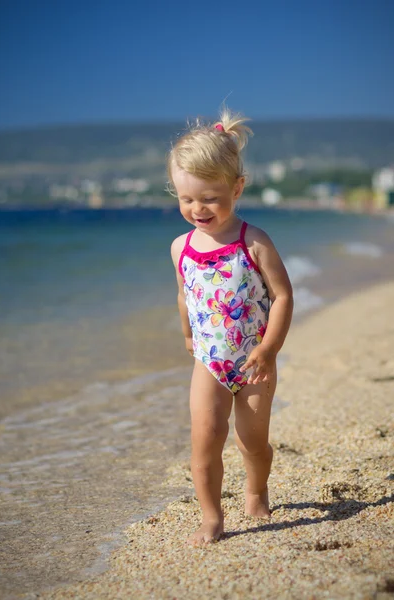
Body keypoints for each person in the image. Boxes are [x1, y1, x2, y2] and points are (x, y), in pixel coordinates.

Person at [169, 108, 293, 546]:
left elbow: (282, 296)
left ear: (237, 188)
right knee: (205, 442)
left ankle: (256, 488)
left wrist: (270, 349)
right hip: (210, 361)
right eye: (187, 199)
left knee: (252, 442)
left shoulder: (252, 240)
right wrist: (187, 334)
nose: (198, 209)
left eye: (210, 197)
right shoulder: (180, 247)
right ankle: (211, 517)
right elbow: (186, 295)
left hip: (255, 362)